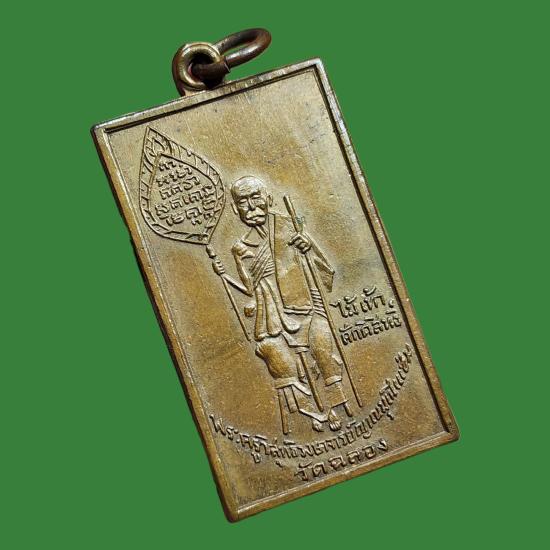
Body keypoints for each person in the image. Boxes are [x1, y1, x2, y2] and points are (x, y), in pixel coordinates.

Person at [212, 176, 349, 431]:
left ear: (269, 199)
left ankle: (337, 404)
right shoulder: (241, 246)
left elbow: (326, 275)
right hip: (271, 316)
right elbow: (250, 288)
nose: (251, 206)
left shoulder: (290, 227)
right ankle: (309, 413)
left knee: (321, 346)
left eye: (256, 197)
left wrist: (308, 249)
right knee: (276, 356)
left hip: (307, 309)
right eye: (243, 201)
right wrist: (234, 268)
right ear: (235, 208)